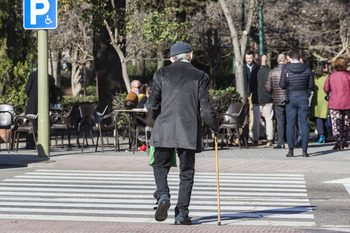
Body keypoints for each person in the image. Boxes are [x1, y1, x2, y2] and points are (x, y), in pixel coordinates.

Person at [146, 42, 219, 225]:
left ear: (172, 58)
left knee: (160, 165)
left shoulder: (161, 73)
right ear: (191, 55)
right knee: (186, 172)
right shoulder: (200, 76)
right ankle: (181, 214)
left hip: (164, 128)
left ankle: (163, 195)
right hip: (188, 130)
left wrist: (156, 116)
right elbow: (205, 108)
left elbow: (151, 104)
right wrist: (214, 126)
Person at [279, 50, 314, 157]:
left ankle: (291, 149)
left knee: (290, 124)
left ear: (290, 58)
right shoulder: (307, 68)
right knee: (304, 124)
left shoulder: (286, 69)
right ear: (299, 58)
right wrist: (306, 94)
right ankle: (304, 150)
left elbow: (282, 84)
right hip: (303, 97)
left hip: (291, 98)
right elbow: (311, 85)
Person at [25, 70, 57, 149]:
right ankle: (45, 143)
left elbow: (27, 90)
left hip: (32, 104)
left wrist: (31, 96)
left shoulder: (32, 75)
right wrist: (52, 102)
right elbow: (54, 93)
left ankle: (30, 143)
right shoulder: (50, 77)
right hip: (45, 103)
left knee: (31, 123)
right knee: (44, 123)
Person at [324, 57, 350, 150]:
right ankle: (344, 140)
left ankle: (338, 141)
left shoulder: (331, 76)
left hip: (334, 102)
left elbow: (326, 89)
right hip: (347, 102)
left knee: (336, 123)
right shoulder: (348, 75)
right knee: (346, 122)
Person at [250, 54, 273, 145]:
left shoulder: (255, 71)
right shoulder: (270, 71)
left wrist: (249, 93)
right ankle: (270, 138)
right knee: (268, 118)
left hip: (257, 98)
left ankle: (255, 138)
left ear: (259, 61)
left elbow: (250, 85)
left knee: (256, 119)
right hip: (268, 98)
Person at [265, 54, 287, 149]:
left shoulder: (272, 72)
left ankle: (280, 142)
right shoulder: (288, 71)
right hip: (288, 99)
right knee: (290, 120)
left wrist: (274, 92)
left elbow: (268, 87)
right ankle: (293, 141)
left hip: (277, 99)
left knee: (280, 121)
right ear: (285, 61)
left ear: (277, 61)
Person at [310, 61, 333, 143]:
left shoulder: (314, 77)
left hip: (316, 99)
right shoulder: (328, 77)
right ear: (322, 68)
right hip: (326, 99)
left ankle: (321, 135)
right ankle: (328, 135)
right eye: (326, 67)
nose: (327, 68)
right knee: (326, 117)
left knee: (318, 118)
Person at [243, 50, 259, 143]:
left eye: (250, 57)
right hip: (245, 92)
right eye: (247, 58)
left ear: (253, 58)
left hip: (253, 93)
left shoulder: (256, 67)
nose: (248, 59)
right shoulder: (243, 67)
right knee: (245, 114)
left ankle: (252, 134)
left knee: (252, 115)